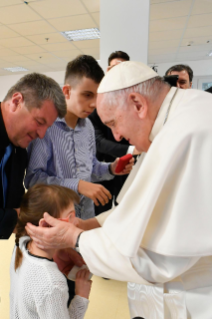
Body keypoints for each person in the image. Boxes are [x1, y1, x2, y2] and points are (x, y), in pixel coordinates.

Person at [26, 61, 212, 318]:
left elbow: (155, 257)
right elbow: (137, 212)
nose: (117, 137)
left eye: (114, 123)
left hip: (193, 296)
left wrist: (76, 238)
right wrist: (87, 225)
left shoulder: (184, 133)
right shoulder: (173, 122)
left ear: (138, 104)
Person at [25, 55, 133, 220]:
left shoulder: (88, 127)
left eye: (97, 96)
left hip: (85, 217)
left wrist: (111, 168)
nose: (94, 104)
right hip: (55, 219)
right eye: (87, 95)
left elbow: (91, 168)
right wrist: (78, 185)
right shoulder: (47, 127)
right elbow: (33, 179)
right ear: (67, 91)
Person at [10, 184, 92, 319]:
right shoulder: (53, 283)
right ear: (46, 225)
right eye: (70, 216)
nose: (77, 223)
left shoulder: (21, 244)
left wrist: (58, 250)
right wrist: (81, 297)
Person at [0, 73, 66, 239]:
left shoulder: (19, 148)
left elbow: (15, 199)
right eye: (39, 122)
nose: (42, 134)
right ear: (16, 102)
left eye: (47, 127)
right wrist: (12, 218)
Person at [89, 50, 139, 215]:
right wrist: (131, 150)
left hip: (128, 171)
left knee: (125, 213)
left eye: (122, 68)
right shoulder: (97, 101)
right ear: (107, 70)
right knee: (99, 215)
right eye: (113, 68)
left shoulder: (135, 101)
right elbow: (98, 141)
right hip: (102, 171)